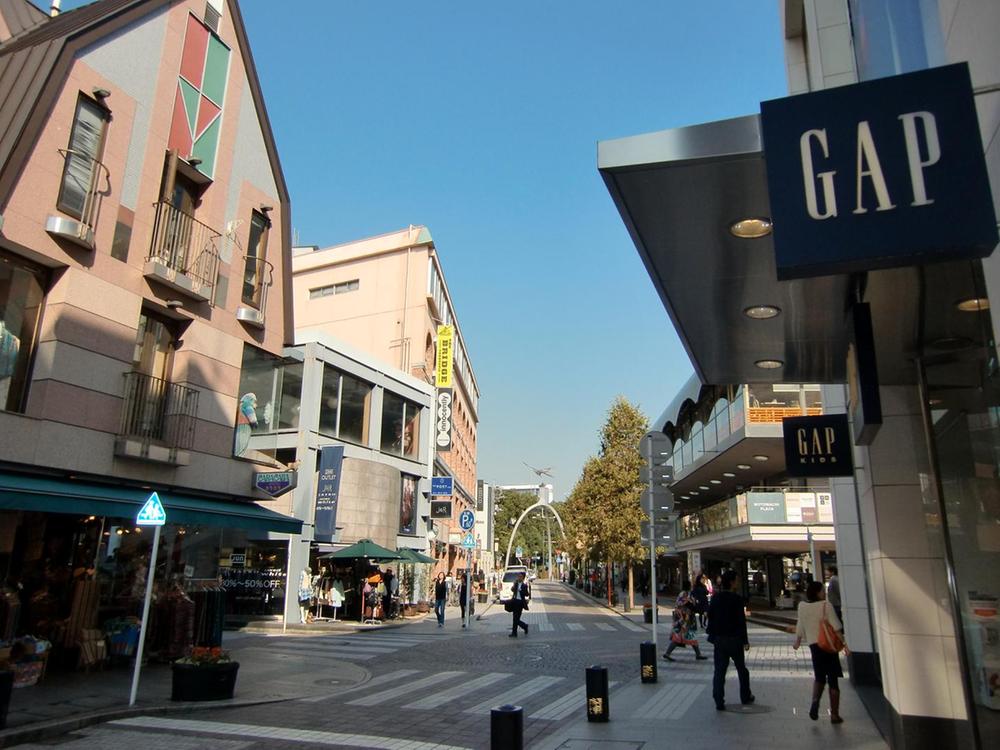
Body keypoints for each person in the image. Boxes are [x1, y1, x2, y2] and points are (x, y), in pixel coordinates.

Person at [794, 579, 848, 723]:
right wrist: (844, 644)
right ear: (817, 592)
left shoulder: (802, 606)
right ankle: (834, 714)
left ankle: (815, 701)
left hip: (814, 646)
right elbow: (836, 627)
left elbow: (800, 625)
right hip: (828, 646)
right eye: (823, 591)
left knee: (819, 676)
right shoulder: (826, 605)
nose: (824, 593)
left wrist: (797, 641)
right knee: (833, 680)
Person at [706, 570, 754, 711]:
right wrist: (745, 640)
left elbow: (710, 616)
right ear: (732, 582)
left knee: (719, 671)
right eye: (736, 580)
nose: (737, 583)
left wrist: (712, 634)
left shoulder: (716, 598)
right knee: (741, 669)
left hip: (720, 639)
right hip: (735, 639)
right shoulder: (737, 599)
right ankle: (745, 695)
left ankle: (718, 700)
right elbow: (741, 621)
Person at [663, 595, 708, 662]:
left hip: (684, 621)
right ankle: (667, 653)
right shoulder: (686, 596)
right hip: (685, 622)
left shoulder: (684, 595)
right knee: (681, 638)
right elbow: (691, 607)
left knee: (690, 638)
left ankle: (698, 654)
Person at [509, 571, 530, 637]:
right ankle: (514, 633)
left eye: (520, 577)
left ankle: (524, 626)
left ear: (523, 578)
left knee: (516, 619)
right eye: (518, 576)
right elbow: (512, 590)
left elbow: (527, 594)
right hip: (515, 601)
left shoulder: (524, 585)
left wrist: (521, 591)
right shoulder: (516, 583)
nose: (519, 578)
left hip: (520, 603)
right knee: (514, 618)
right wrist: (513, 586)